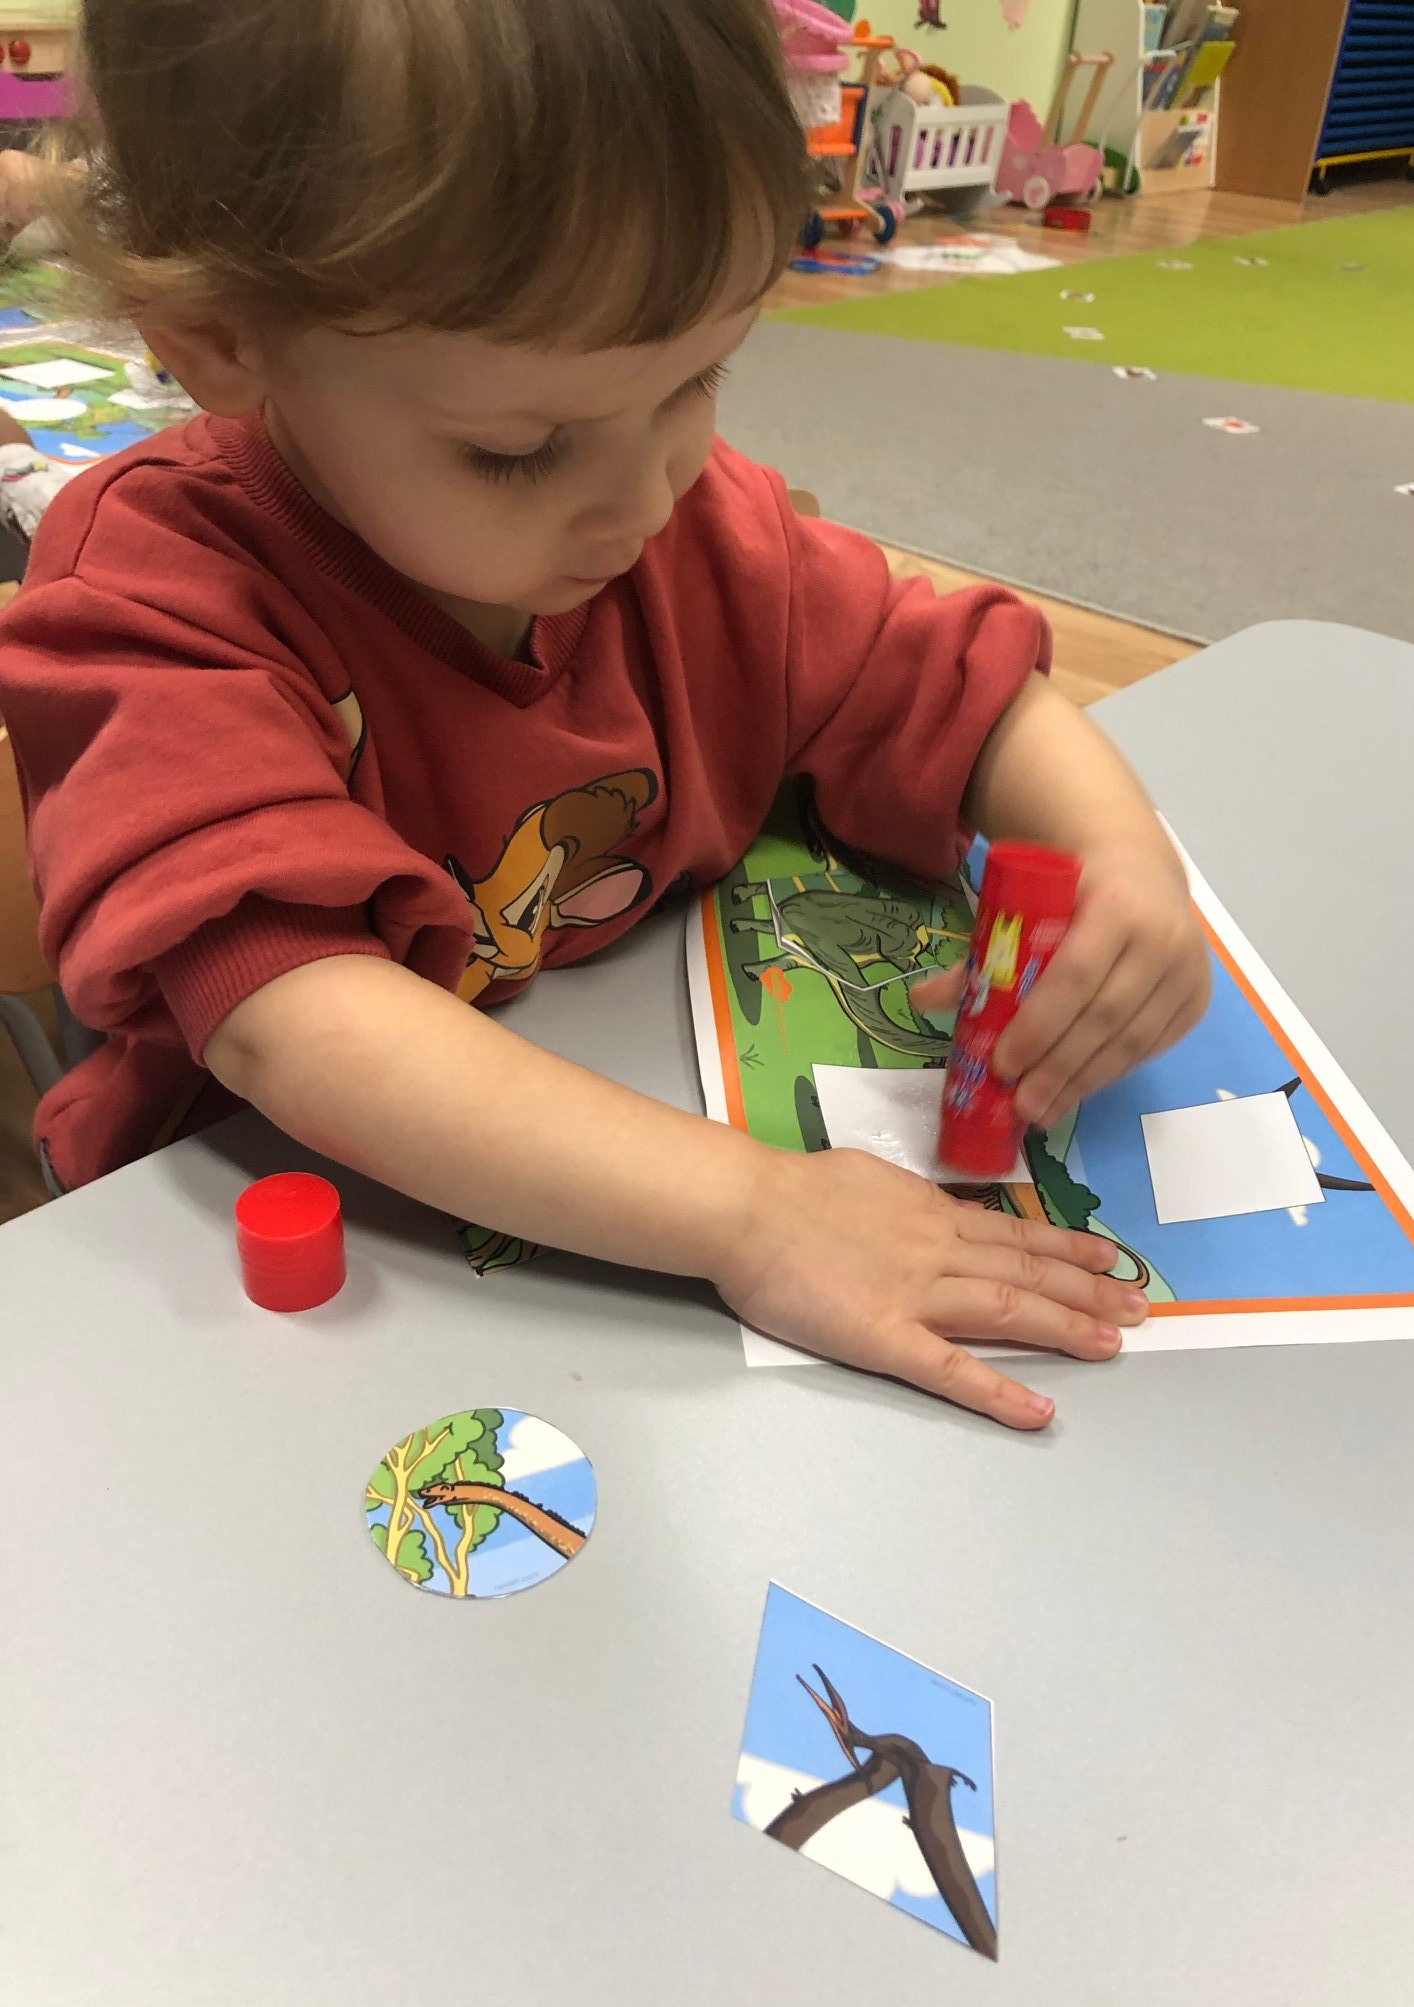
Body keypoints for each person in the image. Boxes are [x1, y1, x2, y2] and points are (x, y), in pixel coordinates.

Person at [0, 0, 1209, 1429]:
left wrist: (1124, 854)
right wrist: (755, 1214)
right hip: (274, 1274)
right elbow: (291, 1018)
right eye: (521, 451)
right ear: (220, 341)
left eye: (697, 379)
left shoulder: (688, 526)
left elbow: (954, 681)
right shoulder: (158, 597)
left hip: (617, 1176)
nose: (646, 497)